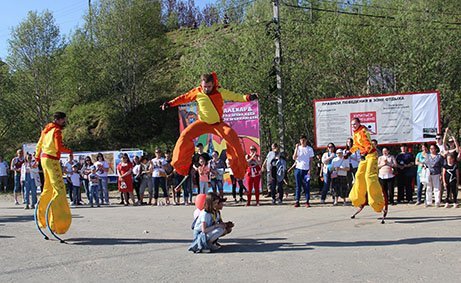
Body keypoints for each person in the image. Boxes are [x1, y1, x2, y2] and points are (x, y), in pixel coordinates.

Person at [161, 72, 258, 182]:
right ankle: (181, 166)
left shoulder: (220, 92)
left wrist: (248, 97)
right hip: (202, 123)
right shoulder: (197, 92)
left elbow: (235, 96)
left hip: (217, 124)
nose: (206, 89)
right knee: (184, 136)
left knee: (233, 137)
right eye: (204, 87)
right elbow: (184, 98)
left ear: (213, 84)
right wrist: (169, 103)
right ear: (201, 84)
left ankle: (239, 170)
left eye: (209, 87)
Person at [35, 112, 73, 234]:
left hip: (44, 159)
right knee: (59, 189)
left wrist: (37, 158)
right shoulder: (56, 131)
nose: (64, 122)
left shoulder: (46, 130)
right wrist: (70, 151)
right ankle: (57, 223)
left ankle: (42, 218)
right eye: (63, 120)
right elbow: (58, 147)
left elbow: (39, 144)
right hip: (52, 160)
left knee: (48, 188)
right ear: (58, 120)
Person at [346, 118, 384, 213]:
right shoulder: (355, 133)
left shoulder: (363, 131)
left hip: (371, 155)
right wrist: (349, 153)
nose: (353, 126)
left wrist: (365, 153)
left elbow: (369, 145)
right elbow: (356, 146)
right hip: (364, 157)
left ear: (359, 123)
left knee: (369, 176)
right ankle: (357, 199)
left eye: (355, 124)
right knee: (358, 176)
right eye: (352, 124)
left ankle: (376, 202)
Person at [292, 135, 314, 208]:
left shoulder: (309, 149)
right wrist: (296, 148)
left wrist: (310, 170)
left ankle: (307, 201)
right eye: (301, 140)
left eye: (304, 140)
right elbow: (294, 157)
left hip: (306, 170)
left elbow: (311, 160)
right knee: (298, 186)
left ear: (306, 140)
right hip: (298, 169)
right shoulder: (298, 148)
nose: (302, 141)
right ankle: (297, 201)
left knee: (306, 186)